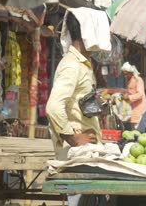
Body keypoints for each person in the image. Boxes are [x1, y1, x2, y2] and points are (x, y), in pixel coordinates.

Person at [46, 13, 101, 206]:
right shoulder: (72, 65)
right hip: (76, 156)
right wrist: (73, 137)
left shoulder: (83, 64)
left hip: (85, 155)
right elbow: (53, 106)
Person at [120, 62, 146, 130]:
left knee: (137, 129)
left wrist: (129, 97)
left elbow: (140, 94)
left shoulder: (138, 80)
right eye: (124, 75)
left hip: (139, 109)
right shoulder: (129, 81)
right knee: (133, 130)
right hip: (132, 109)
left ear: (131, 72)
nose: (125, 76)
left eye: (126, 74)